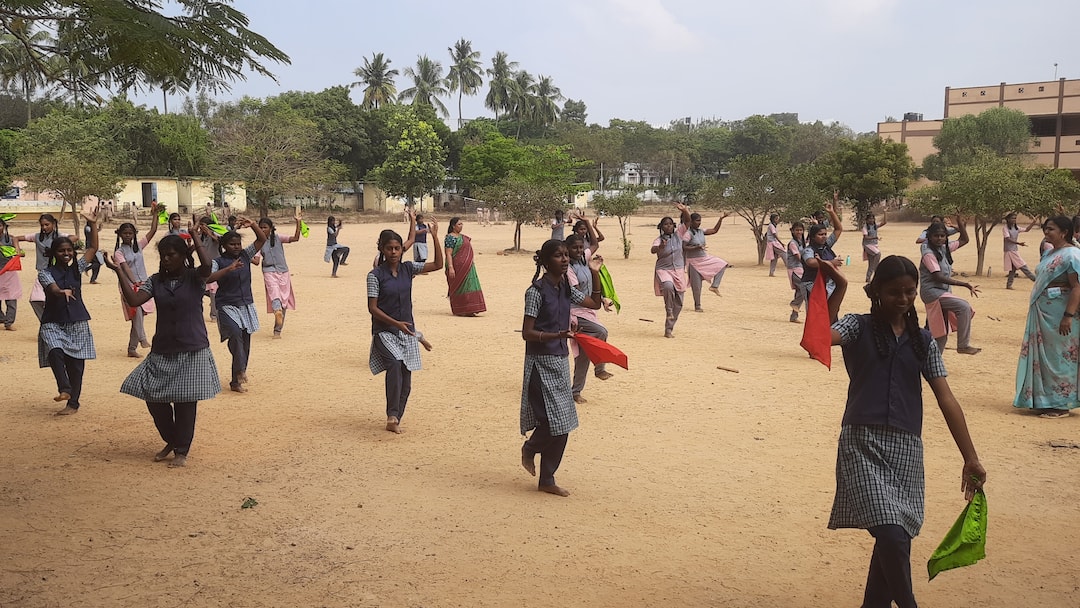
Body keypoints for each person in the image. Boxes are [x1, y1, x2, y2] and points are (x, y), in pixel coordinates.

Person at [825, 255, 985, 608]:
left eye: (909, 292)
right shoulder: (857, 326)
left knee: (895, 538)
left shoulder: (923, 341)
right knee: (892, 535)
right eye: (894, 291)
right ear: (876, 291)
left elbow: (946, 398)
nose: (903, 298)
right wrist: (838, 288)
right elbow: (820, 339)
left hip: (907, 449)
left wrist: (970, 458)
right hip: (862, 443)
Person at [115, 232, 221, 467]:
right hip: (163, 347)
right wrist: (119, 271)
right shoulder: (156, 281)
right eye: (163, 256)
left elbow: (207, 264)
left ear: (183, 256)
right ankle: (172, 440)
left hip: (191, 348)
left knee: (185, 402)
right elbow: (133, 300)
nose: (166, 259)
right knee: (152, 397)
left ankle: (181, 450)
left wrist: (195, 234)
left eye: (171, 255)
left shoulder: (196, 277)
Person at [520, 239, 603, 497]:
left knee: (564, 423)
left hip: (559, 360)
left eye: (566, 255)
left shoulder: (566, 287)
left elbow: (593, 304)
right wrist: (558, 335)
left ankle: (547, 479)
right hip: (539, 364)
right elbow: (527, 333)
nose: (565, 259)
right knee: (549, 421)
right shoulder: (535, 291)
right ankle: (530, 448)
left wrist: (595, 273)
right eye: (558, 256)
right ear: (545, 262)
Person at [367, 220, 443, 433]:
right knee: (394, 364)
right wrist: (396, 324)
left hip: (407, 332)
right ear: (382, 249)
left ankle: (396, 418)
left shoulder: (408, 269)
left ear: (402, 250)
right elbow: (372, 308)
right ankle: (391, 413)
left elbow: (438, 265)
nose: (393, 252)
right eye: (389, 248)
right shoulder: (374, 276)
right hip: (385, 332)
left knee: (406, 378)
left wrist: (435, 237)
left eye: (397, 248)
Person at [1014, 216, 1080, 418]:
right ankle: (1044, 399)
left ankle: (1060, 404)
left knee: (1060, 358)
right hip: (1043, 315)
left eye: (1050, 229)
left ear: (1064, 232)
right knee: (1044, 358)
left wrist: (1068, 316)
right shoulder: (1050, 253)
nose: (1046, 232)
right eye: (1045, 228)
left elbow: (1077, 287)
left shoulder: (1072, 255)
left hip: (1060, 316)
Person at [38, 208, 99, 415]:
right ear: (53, 254)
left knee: (77, 365)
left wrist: (91, 225)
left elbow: (93, 247)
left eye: (69, 250)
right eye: (61, 251)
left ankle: (73, 403)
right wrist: (60, 290)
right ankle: (64, 389)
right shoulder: (45, 273)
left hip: (77, 320)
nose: (66, 254)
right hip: (53, 321)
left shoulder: (77, 269)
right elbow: (52, 289)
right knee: (54, 350)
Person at [207, 217, 267, 393]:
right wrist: (229, 269)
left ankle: (236, 379)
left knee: (245, 342)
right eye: (232, 244)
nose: (236, 247)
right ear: (225, 246)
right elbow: (209, 278)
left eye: (238, 244)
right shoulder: (218, 262)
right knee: (235, 335)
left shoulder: (245, 255)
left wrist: (253, 225)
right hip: (226, 305)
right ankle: (240, 370)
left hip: (245, 304)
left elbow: (261, 239)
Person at [919, 219, 981, 355]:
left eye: (942, 235)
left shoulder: (944, 248)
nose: (939, 238)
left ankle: (933, 364)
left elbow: (964, 240)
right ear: (929, 237)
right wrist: (964, 284)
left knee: (940, 334)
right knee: (963, 307)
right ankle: (963, 345)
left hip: (943, 292)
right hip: (933, 293)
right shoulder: (928, 253)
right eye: (936, 235)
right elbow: (937, 277)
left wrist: (959, 222)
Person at [565, 233, 612, 404]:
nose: (578, 250)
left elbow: (595, 243)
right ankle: (600, 368)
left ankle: (575, 392)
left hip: (589, 310)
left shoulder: (585, 259)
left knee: (583, 354)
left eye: (580, 247)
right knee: (601, 331)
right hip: (575, 313)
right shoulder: (569, 268)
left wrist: (602, 299)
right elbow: (578, 296)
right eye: (574, 248)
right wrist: (597, 301)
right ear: (567, 249)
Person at [113, 206, 161, 357]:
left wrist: (155, 215)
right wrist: (134, 282)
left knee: (138, 315)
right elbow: (125, 268)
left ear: (134, 234)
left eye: (130, 233)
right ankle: (142, 339)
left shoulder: (138, 246)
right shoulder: (118, 252)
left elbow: (152, 231)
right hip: (129, 286)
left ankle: (131, 348)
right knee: (137, 312)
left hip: (142, 283)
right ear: (120, 235)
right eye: (125, 233)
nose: (127, 236)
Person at [14, 213, 67, 320]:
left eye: (47, 225)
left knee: (56, 300)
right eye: (42, 225)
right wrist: (18, 250)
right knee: (35, 300)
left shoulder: (59, 236)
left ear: (53, 224)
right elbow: (16, 238)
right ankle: (47, 322)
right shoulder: (37, 237)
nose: (44, 227)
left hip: (56, 274)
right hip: (42, 273)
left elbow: (74, 238)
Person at [256, 214, 301, 338]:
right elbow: (256, 261)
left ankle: (278, 329)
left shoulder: (278, 238)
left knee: (284, 300)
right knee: (274, 294)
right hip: (268, 271)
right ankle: (277, 313)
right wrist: (244, 255)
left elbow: (295, 238)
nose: (262, 230)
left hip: (283, 271)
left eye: (265, 227)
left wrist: (298, 223)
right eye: (260, 228)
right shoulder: (258, 243)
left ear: (271, 228)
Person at [679, 205, 730, 312]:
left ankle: (714, 286)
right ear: (691, 222)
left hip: (704, 259)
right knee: (696, 286)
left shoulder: (701, 231)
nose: (699, 223)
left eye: (700, 221)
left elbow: (714, 230)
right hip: (693, 262)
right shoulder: (688, 234)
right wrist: (696, 247)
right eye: (697, 221)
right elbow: (683, 247)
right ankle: (697, 306)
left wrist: (721, 219)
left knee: (722, 264)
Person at [801, 202, 844, 322]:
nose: (824, 237)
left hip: (828, 284)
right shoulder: (808, 249)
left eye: (825, 234)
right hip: (811, 284)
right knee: (815, 315)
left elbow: (838, 229)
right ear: (813, 237)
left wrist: (831, 212)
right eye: (820, 235)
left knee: (832, 311)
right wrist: (831, 262)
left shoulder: (826, 245)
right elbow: (810, 262)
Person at [651, 207, 687, 338]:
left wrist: (685, 211)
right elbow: (653, 250)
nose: (668, 226)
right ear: (661, 227)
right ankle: (668, 309)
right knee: (667, 285)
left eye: (670, 224)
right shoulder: (659, 240)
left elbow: (687, 221)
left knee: (679, 302)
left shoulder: (679, 236)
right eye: (666, 224)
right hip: (663, 269)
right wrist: (660, 247)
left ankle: (669, 328)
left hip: (678, 270)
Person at [444, 217, 487, 316]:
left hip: (468, 267)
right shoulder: (450, 238)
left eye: (462, 224)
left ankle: (471, 308)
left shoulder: (463, 238)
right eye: (459, 224)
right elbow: (448, 253)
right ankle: (461, 309)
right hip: (456, 267)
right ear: (453, 226)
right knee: (459, 287)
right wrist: (451, 267)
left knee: (470, 285)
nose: (461, 226)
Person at [1002, 212, 1038, 289]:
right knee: (1023, 266)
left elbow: (1027, 230)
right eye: (1012, 218)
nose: (1014, 220)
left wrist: (1033, 222)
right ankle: (1036, 280)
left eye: (1015, 218)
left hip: (1014, 249)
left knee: (1013, 268)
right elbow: (1007, 238)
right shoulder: (1005, 228)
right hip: (1010, 250)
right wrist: (1018, 243)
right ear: (1008, 219)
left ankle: (1009, 285)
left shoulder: (1016, 228)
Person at [196, 216, 220, 322]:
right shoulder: (201, 237)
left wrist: (210, 232)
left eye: (203, 226)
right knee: (202, 289)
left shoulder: (213, 235)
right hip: (205, 266)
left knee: (213, 290)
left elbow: (218, 240)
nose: (202, 228)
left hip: (215, 265)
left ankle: (214, 314)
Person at [0, 218, 23, 330]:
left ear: (3, 226)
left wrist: (16, 251)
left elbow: (19, 251)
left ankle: (9, 322)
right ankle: (1, 317)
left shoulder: (11, 239)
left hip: (9, 273)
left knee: (11, 297)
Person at [785, 222, 808, 323]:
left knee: (799, 291)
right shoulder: (792, 243)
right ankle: (794, 304)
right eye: (797, 230)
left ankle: (793, 316)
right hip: (794, 270)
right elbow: (798, 257)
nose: (799, 232)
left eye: (801, 230)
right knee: (805, 289)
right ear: (792, 231)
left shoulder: (800, 242)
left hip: (800, 270)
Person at [861, 209, 888, 283]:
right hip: (868, 245)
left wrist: (885, 212)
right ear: (867, 220)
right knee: (878, 254)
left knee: (871, 263)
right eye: (870, 219)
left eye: (873, 218)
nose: (871, 220)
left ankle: (868, 278)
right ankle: (876, 267)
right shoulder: (865, 227)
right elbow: (865, 237)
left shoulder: (875, 226)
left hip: (874, 245)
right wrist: (875, 237)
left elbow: (884, 222)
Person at [83, 217, 104, 284]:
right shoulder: (87, 228)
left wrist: (99, 229)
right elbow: (92, 233)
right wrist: (98, 229)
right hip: (90, 248)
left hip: (93, 247)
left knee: (97, 263)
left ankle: (93, 279)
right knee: (97, 263)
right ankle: (87, 269)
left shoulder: (89, 228)